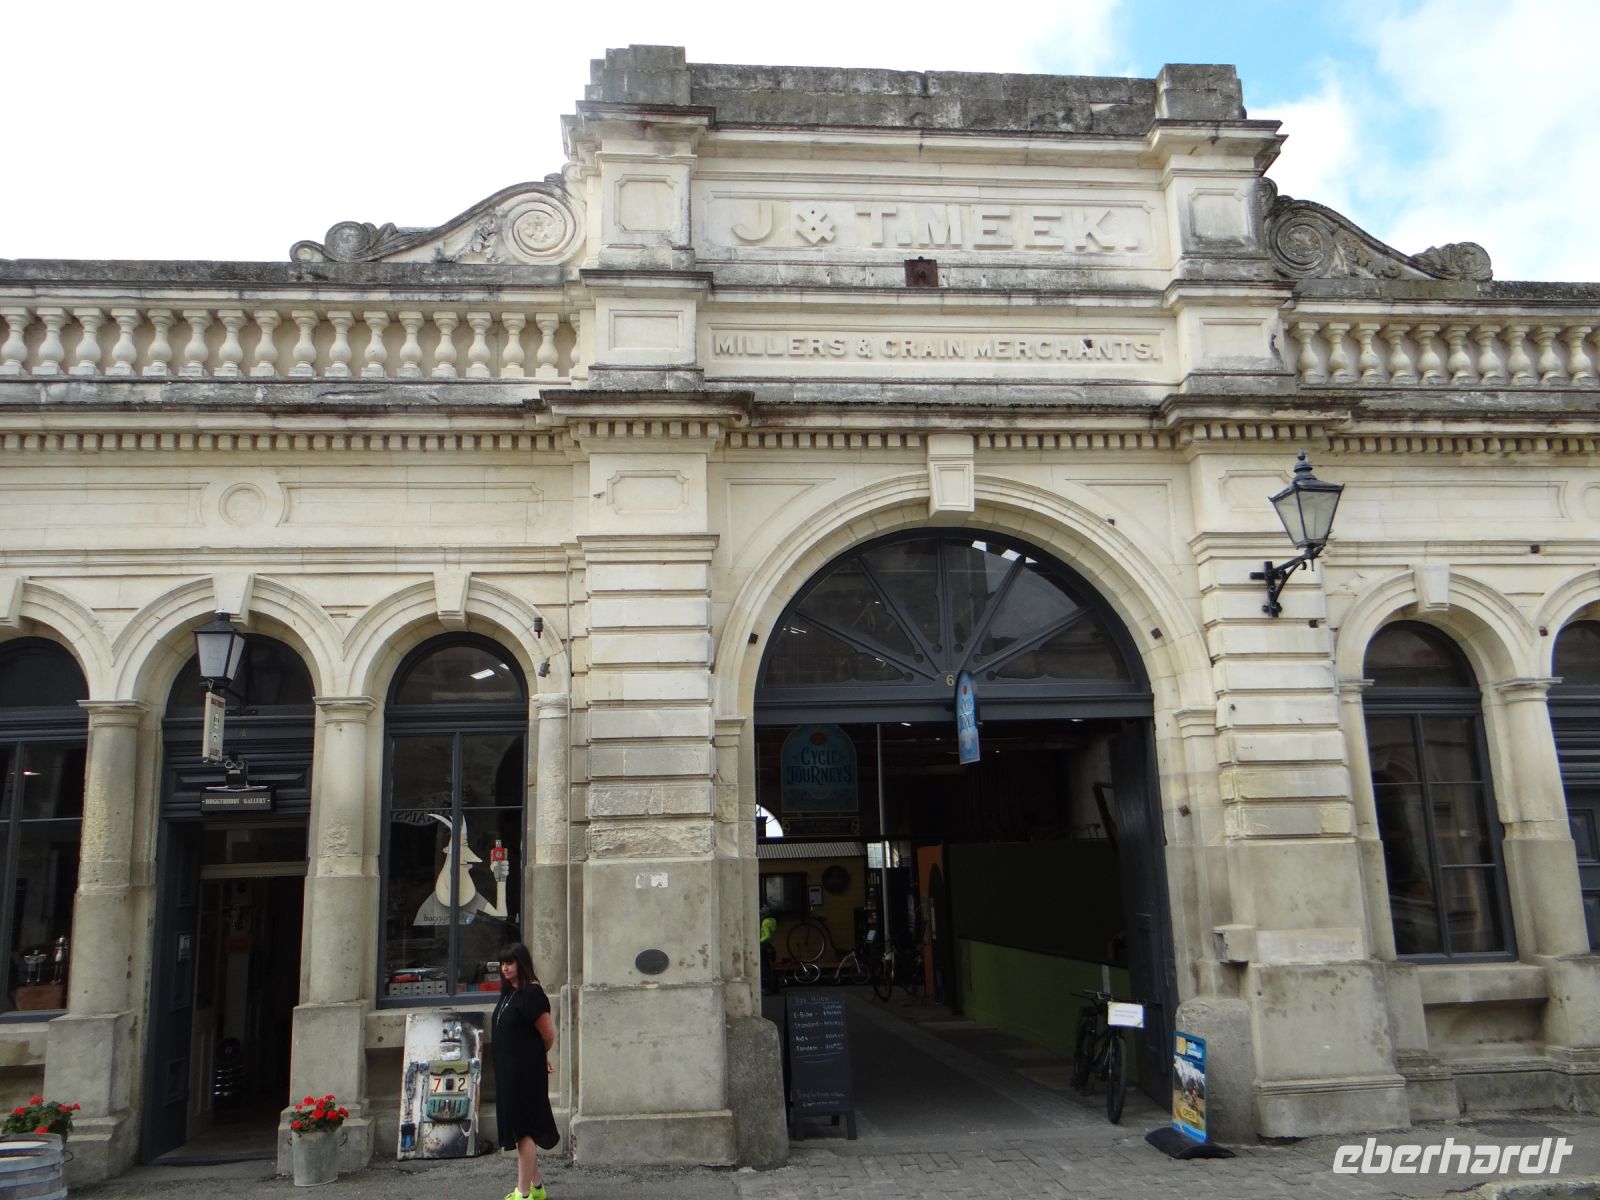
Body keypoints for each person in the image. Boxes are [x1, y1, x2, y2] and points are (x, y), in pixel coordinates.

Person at [492, 942, 558, 1200]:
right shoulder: (509, 993)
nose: (505, 968)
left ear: (521, 963)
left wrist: (539, 1057)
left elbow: (548, 1034)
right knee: (520, 1127)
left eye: (510, 962)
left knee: (524, 1129)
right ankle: (538, 1188)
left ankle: (523, 1192)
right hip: (508, 1072)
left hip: (525, 1073)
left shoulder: (532, 993)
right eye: (502, 963)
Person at [759, 903, 778, 994]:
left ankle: (765, 986)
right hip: (770, 945)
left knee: (763, 966)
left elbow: (767, 936)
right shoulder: (773, 921)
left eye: (762, 913)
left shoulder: (765, 922)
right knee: (771, 967)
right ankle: (774, 986)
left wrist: (759, 941)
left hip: (764, 945)